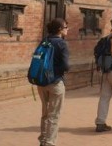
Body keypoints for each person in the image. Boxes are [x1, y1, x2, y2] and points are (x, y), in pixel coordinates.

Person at [38, 18, 70, 146]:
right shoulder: (61, 43)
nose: (67, 29)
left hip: (41, 82)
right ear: (59, 29)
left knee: (45, 113)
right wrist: (54, 72)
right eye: (66, 27)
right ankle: (50, 142)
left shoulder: (44, 41)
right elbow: (66, 66)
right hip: (56, 82)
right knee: (54, 115)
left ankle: (43, 140)